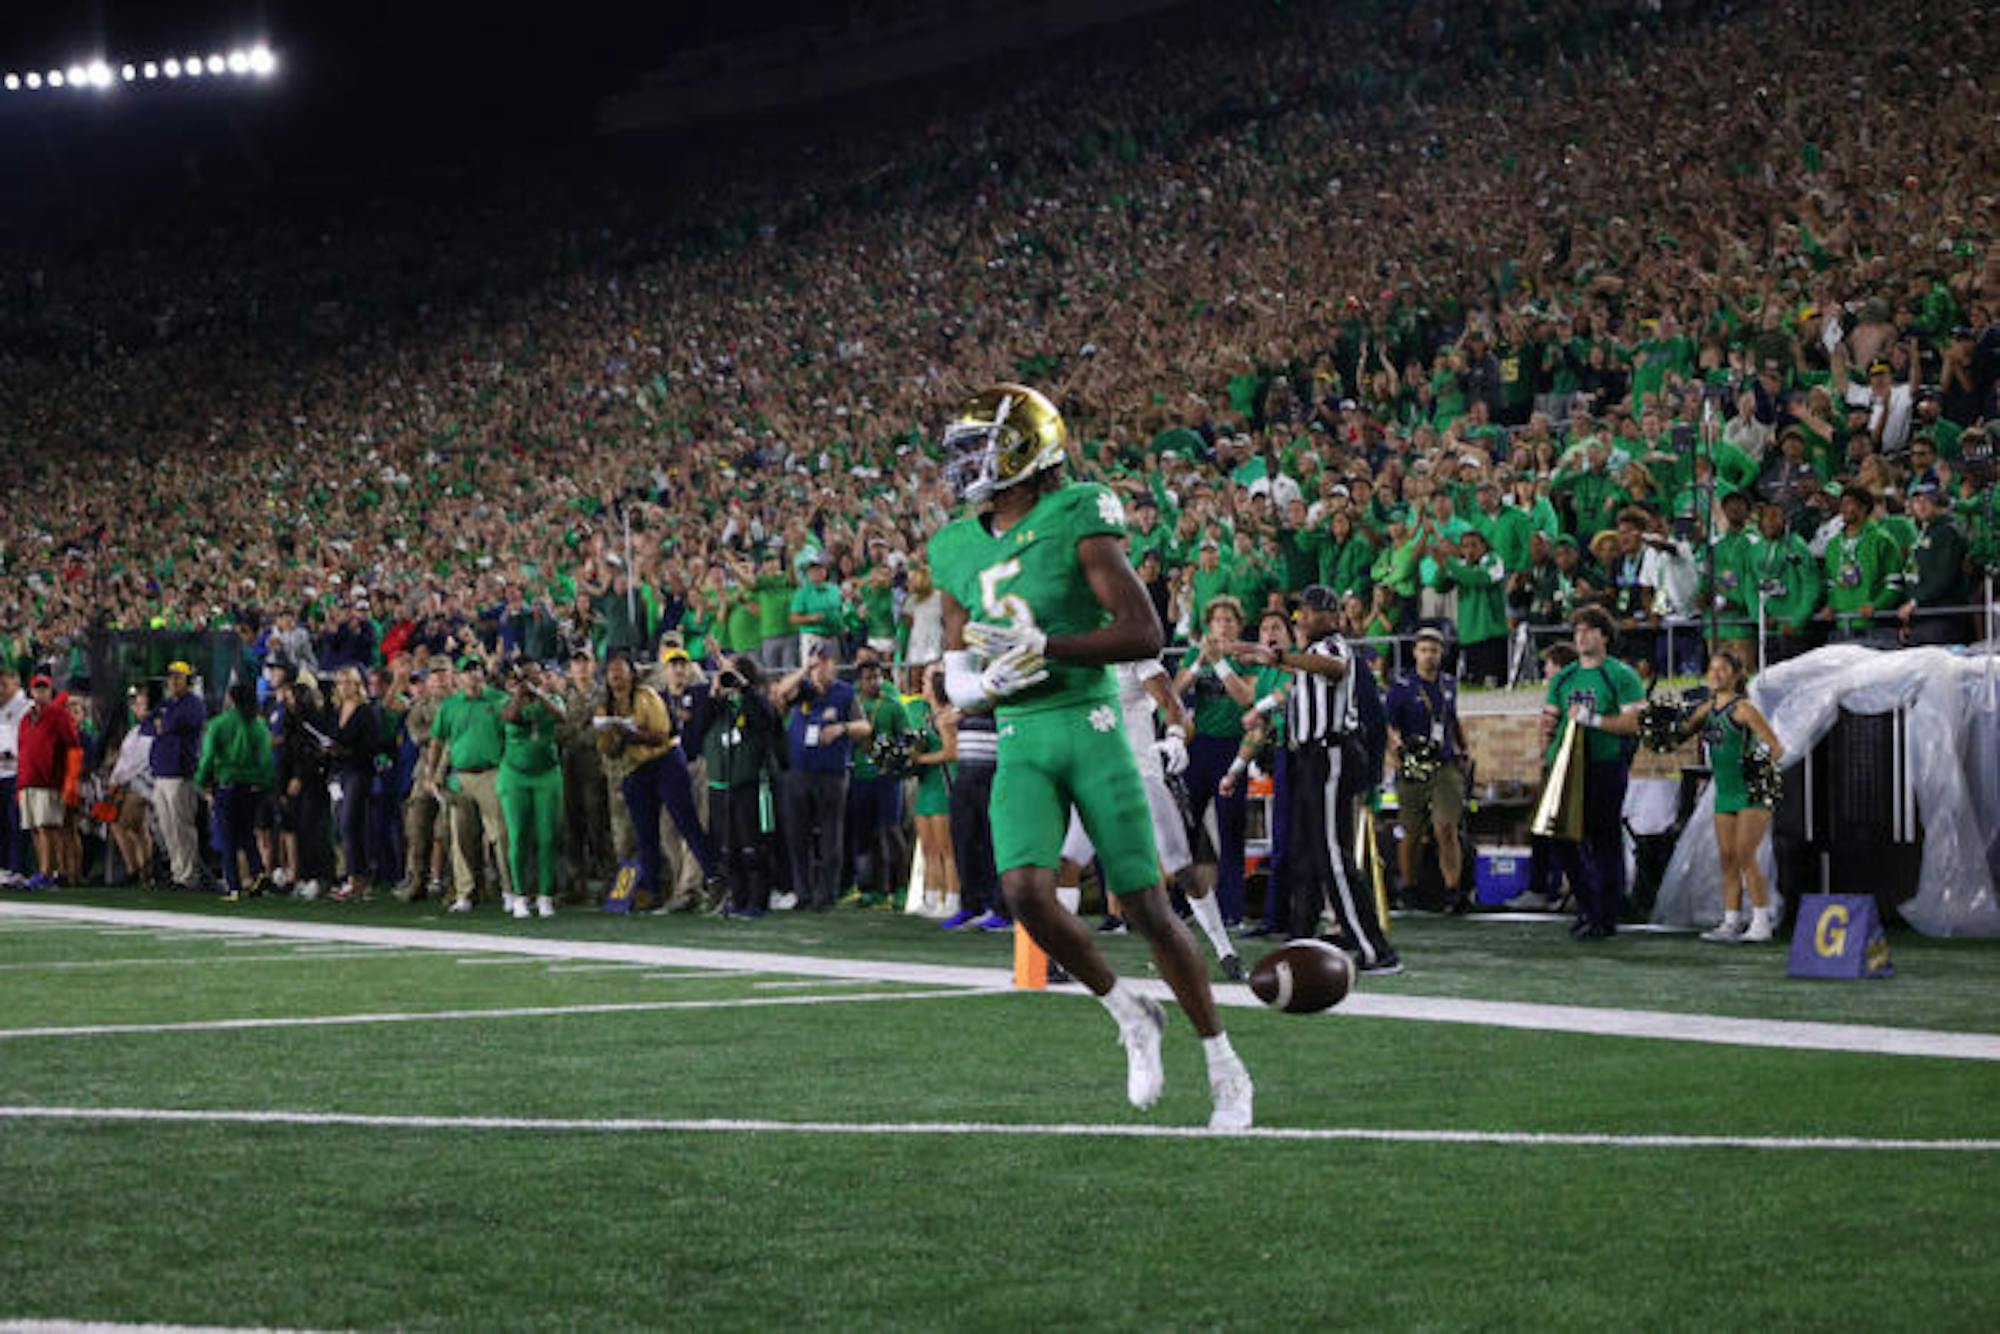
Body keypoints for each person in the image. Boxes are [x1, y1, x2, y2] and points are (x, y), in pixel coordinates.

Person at [928, 383, 1252, 1131]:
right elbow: (953, 672)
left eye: (983, 447)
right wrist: (984, 683)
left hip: (1092, 719)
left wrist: (1049, 649)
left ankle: (1224, 1063)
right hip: (1021, 734)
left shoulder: (1077, 511)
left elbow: (1143, 632)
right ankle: (1128, 1011)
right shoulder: (953, 545)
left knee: (1146, 904)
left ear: (1026, 450)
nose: (967, 463)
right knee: (1025, 894)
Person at [1238, 585, 1400, 973]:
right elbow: (1295, 685)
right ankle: (1304, 936)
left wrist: (1278, 657)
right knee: (1308, 852)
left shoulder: (1333, 647)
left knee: (1332, 853)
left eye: (1308, 612)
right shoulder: (1307, 657)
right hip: (1309, 758)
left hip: (1331, 754)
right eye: (1300, 612)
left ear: (1331, 616)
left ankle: (1375, 949)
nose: (1301, 618)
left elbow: (1334, 668)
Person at [1055, 656, 1243, 979]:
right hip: (1094, 774)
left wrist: (1174, 737)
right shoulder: (1079, 657)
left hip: (1139, 772)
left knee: (1180, 866)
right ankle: (1059, 960)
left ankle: (1225, 950)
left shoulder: (1135, 655)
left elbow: (1173, 704)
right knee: (1068, 863)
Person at [1543, 605, 1647, 939]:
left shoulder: (1620, 675)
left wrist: (1595, 720)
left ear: (1604, 636)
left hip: (1604, 763)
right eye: (1578, 631)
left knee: (1603, 838)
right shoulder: (1564, 677)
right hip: (1566, 766)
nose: (1582, 636)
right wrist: (1547, 749)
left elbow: (1636, 722)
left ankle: (1605, 913)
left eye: (1589, 630)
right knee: (1561, 837)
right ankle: (1589, 904)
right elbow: (1549, 720)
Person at [1672, 653, 1784, 942]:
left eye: (1723, 669)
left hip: (1752, 790)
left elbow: (1775, 747)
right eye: (1712, 668)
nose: (1716, 673)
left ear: (1735, 675)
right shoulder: (1706, 709)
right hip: (1724, 791)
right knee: (1728, 857)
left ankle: (1761, 921)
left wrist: (1754, 765)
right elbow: (1678, 734)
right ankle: (1731, 920)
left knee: (1746, 855)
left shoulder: (1744, 709)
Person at [598, 651, 718, 913]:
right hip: (633, 770)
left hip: (665, 762)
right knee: (645, 834)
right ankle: (653, 890)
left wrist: (629, 733)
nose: (616, 676)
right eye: (611, 671)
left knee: (687, 823)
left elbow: (662, 733)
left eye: (621, 670)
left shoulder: (647, 697)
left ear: (632, 674)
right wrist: (615, 739)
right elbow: (606, 747)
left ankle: (715, 878)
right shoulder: (605, 706)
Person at [775, 646, 872, 911]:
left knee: (831, 835)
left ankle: (826, 894)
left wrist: (843, 728)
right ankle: (802, 892)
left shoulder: (844, 693)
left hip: (832, 773)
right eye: (817, 663)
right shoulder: (802, 689)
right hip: (799, 771)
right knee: (797, 835)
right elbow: (781, 692)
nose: (821, 667)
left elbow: (864, 726)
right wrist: (805, 670)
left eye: (825, 662)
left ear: (834, 665)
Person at [1385, 627, 1471, 914]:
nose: (1429, 655)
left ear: (1441, 653)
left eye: (1434, 650)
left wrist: (1464, 747)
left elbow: (1451, 719)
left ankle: (1453, 890)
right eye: (1424, 650)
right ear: (1415, 653)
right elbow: (1390, 726)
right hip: (1412, 766)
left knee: (1446, 827)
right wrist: (1396, 753)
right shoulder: (1401, 687)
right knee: (1410, 831)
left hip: (1444, 764)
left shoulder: (1449, 683)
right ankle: (1408, 887)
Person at [428, 657, 514, 913]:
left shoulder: (499, 701)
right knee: (461, 836)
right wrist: (432, 774)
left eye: (477, 670)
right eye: (467, 671)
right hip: (460, 776)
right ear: (458, 677)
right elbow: (437, 741)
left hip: (493, 773)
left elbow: (511, 737)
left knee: (501, 835)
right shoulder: (450, 705)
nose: (473, 675)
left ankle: (510, 890)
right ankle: (466, 892)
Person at [702, 654, 784, 919]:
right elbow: (696, 729)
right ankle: (738, 900)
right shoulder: (720, 707)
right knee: (729, 848)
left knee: (753, 847)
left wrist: (745, 688)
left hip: (751, 784)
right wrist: (714, 692)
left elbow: (766, 719)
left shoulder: (755, 702)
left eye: (733, 673)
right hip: (722, 785)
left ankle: (758, 901)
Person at [497, 661, 568, 919]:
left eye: (535, 673)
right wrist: (519, 693)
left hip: (547, 774)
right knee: (518, 837)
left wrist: (537, 693)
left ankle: (545, 895)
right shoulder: (507, 701)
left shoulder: (552, 699)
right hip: (515, 775)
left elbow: (561, 717)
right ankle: (519, 895)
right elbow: (510, 717)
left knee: (548, 836)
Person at [194, 681, 276, 902]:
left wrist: (200, 780)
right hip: (253, 787)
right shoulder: (259, 725)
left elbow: (208, 756)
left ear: (231, 698)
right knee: (247, 832)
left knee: (227, 836)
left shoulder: (219, 724)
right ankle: (258, 872)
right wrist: (266, 784)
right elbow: (267, 761)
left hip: (227, 785)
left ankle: (233, 885)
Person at [844, 652, 910, 909]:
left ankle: (901, 887)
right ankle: (872, 888)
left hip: (887, 778)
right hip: (860, 776)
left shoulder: (893, 706)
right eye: (868, 678)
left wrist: (894, 754)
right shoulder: (852, 706)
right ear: (859, 681)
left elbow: (905, 738)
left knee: (892, 831)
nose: (874, 682)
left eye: (877, 677)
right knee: (866, 834)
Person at [904, 663, 960, 923]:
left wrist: (921, 758)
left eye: (927, 682)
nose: (923, 686)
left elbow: (951, 752)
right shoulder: (923, 714)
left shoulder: (947, 716)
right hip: (926, 786)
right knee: (927, 846)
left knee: (946, 847)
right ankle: (930, 896)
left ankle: (953, 898)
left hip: (943, 784)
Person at [148, 661, 209, 892]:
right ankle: (177, 871)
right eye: (171, 678)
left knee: (182, 825)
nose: (173, 682)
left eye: (178, 678)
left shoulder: (193, 704)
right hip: (162, 770)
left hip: (180, 772)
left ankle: (188, 875)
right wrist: (163, 724)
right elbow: (149, 724)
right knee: (167, 827)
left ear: (188, 681)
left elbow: (179, 724)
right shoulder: (167, 703)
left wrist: (165, 724)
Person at [15, 675, 81, 889]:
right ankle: (45, 872)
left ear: (50, 691)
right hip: (28, 780)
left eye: (45, 689)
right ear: (31, 691)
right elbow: (23, 750)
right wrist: (19, 783)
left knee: (48, 828)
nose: (40, 693)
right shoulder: (25, 719)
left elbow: (73, 748)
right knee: (35, 829)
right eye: (37, 688)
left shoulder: (60, 716)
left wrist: (70, 780)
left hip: (49, 781)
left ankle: (49, 874)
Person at [326, 667, 384, 903]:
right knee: (341, 824)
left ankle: (357, 877)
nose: (344, 687)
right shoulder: (336, 710)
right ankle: (352, 874)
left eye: (348, 682)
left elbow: (372, 745)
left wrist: (345, 750)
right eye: (340, 683)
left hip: (358, 771)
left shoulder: (366, 711)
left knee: (350, 823)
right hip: (339, 773)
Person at [1897, 483, 1971, 647]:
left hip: (1942, 615)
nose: (1921, 505)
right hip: (1921, 616)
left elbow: (1944, 575)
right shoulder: (1923, 532)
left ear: (1939, 503)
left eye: (1927, 500)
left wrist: (1916, 602)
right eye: (1916, 501)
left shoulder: (1948, 531)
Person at [104, 688, 157, 885]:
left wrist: (116, 781)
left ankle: (138, 869)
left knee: (130, 826)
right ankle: (139, 869)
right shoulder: (136, 730)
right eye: (136, 704)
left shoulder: (150, 730)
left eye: (141, 704)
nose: (136, 708)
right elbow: (124, 760)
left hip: (142, 786)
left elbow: (136, 763)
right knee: (132, 827)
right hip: (131, 785)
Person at [0, 666, 27, 886]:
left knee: (15, 821)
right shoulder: (3, 708)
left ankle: (18, 868)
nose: (0, 689)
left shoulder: (24, 707)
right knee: (5, 822)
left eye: (4, 685)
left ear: (16, 683)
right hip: (2, 773)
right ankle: (7, 867)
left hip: (17, 772)